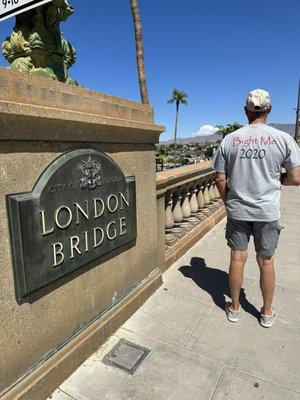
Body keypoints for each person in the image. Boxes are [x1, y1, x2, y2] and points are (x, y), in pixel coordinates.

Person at [213, 89, 300, 328]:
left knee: (237, 258)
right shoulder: (283, 139)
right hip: (267, 212)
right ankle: (266, 311)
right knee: (266, 261)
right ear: (269, 109)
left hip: (238, 210)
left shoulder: (230, 140)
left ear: (245, 111)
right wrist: (277, 180)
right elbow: (296, 177)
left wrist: (227, 201)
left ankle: (234, 307)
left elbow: (220, 179)